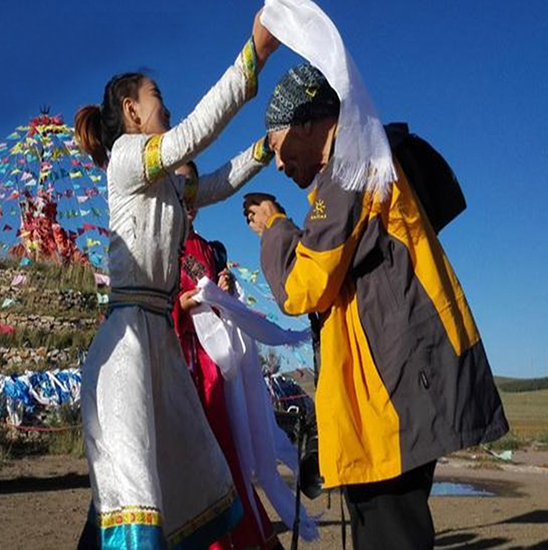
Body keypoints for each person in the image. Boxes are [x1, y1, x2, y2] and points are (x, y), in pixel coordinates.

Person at [244, 62, 508, 550]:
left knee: (391, 535)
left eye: (278, 147)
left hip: (391, 398)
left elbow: (304, 288)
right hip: (395, 388)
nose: (279, 165)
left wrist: (276, 227)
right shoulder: (364, 159)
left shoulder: (348, 165)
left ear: (305, 123)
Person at [73, 11, 279, 548]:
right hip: (127, 346)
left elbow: (214, 184)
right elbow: (192, 135)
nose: (165, 103)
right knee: (134, 497)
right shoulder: (125, 158)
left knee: (188, 476)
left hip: (157, 343)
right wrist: (251, 54)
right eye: (156, 94)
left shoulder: (163, 186)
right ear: (131, 111)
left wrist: (264, 149)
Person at [172, 162, 279, 550]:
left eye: (192, 189)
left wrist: (226, 289)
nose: (187, 198)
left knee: (228, 457)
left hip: (217, 367)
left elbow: (222, 305)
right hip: (180, 370)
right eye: (179, 185)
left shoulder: (210, 249)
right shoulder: (158, 249)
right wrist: (179, 307)